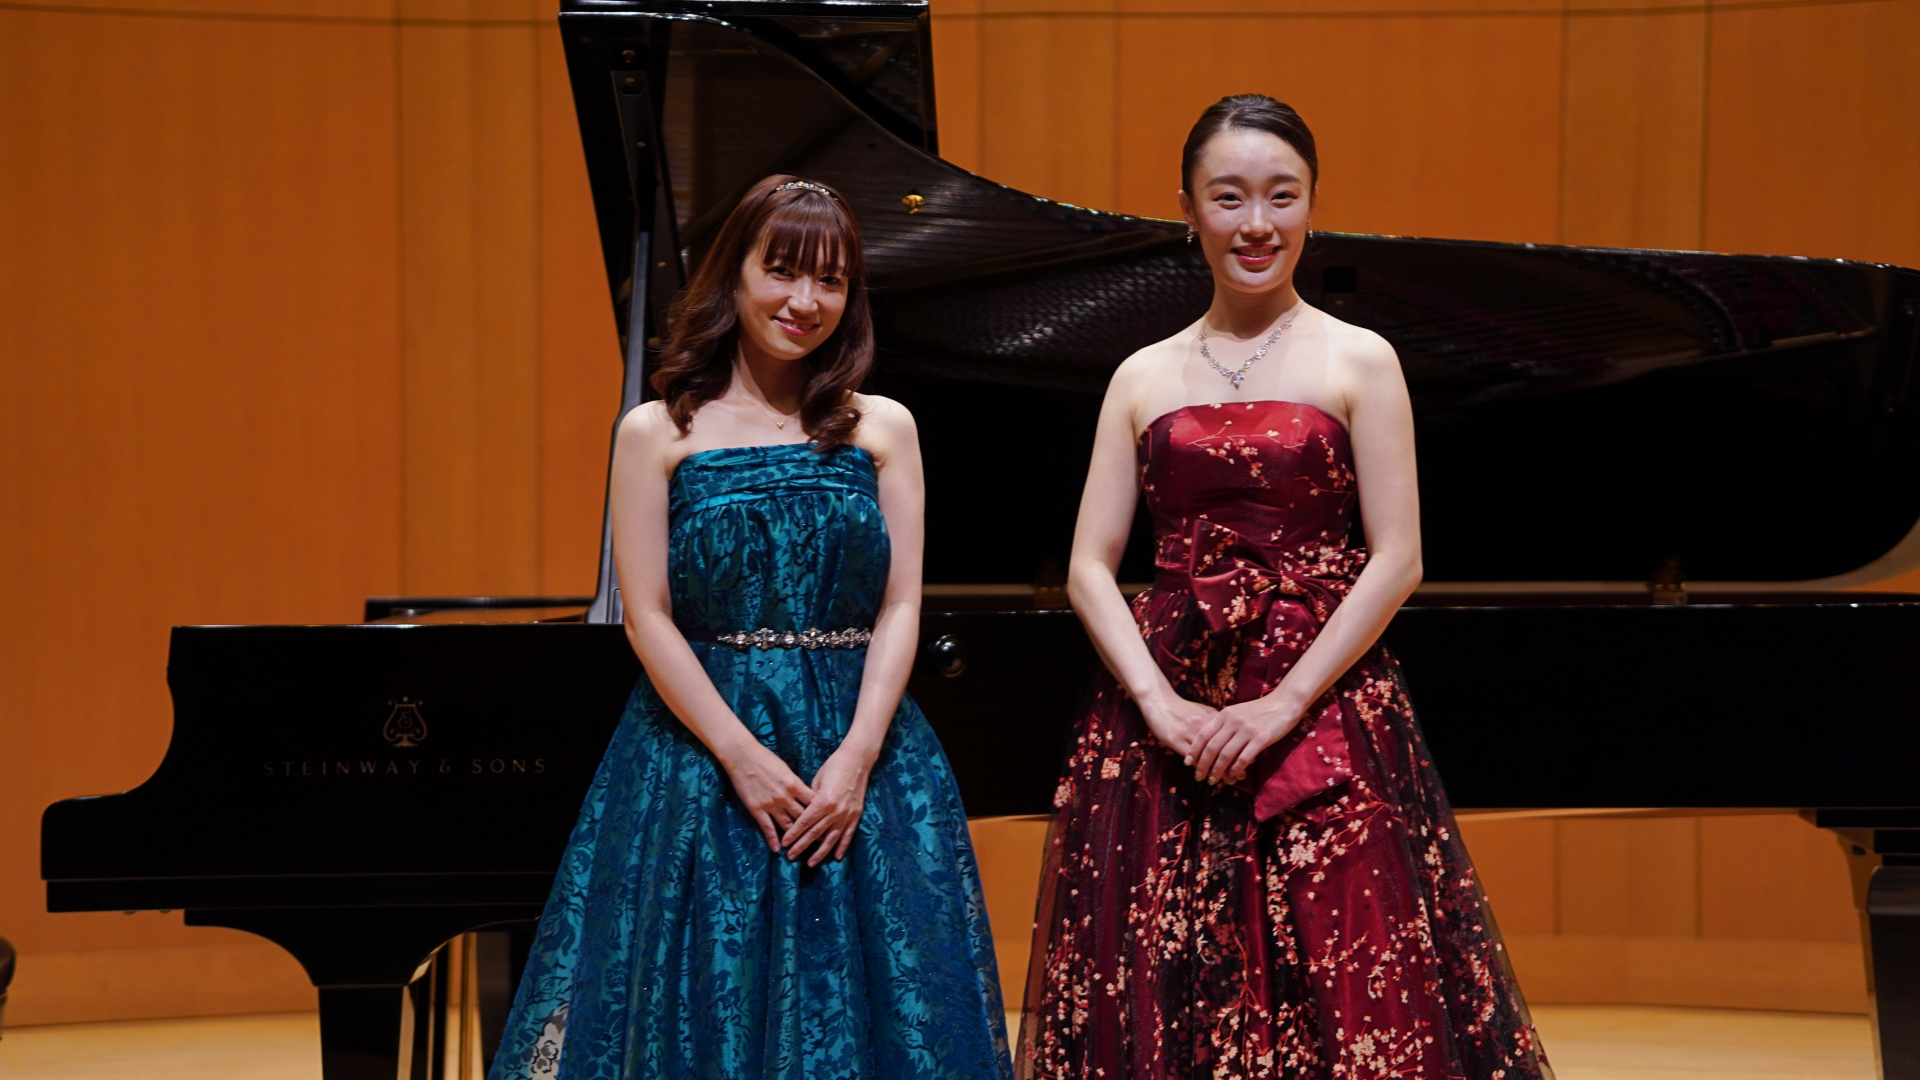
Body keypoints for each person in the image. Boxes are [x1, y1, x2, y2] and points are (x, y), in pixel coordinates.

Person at [1017, 96, 1552, 1080]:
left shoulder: (1360, 358)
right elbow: (1089, 564)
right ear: (1188, 208)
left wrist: (1285, 702)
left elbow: (1399, 556)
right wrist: (1160, 707)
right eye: (1229, 197)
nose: (1256, 223)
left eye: (1282, 196)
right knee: (1168, 972)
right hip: (1167, 711)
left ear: (1311, 204)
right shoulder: (1140, 374)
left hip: (1326, 703)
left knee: (1347, 971)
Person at [490, 175, 1011, 1080]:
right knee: (701, 997)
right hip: (700, 755)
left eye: (831, 280)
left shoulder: (884, 426)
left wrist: (856, 758)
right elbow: (647, 617)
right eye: (782, 271)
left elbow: (900, 605)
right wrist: (740, 755)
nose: (805, 301)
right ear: (733, 273)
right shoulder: (656, 431)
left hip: (864, 751)